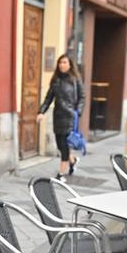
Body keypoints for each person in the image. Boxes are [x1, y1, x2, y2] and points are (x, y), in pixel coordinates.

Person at [36, 54, 85, 182]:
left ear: (70, 65)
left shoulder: (75, 80)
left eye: (65, 62)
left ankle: (61, 174)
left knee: (64, 145)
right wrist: (41, 111)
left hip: (70, 117)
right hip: (58, 117)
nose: (62, 65)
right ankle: (72, 161)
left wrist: (77, 112)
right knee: (60, 145)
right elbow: (48, 98)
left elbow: (82, 97)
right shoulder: (55, 80)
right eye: (60, 62)